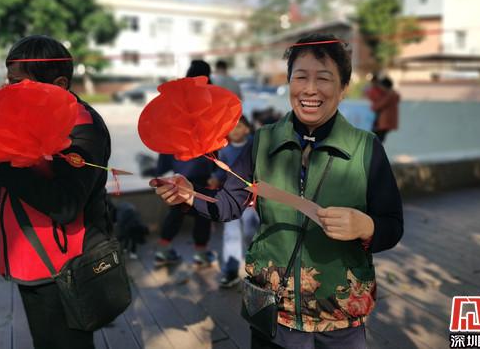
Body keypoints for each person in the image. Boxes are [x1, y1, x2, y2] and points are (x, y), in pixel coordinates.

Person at [151, 34, 403, 349]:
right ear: (289, 82)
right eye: (300, 77)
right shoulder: (263, 141)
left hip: (340, 317)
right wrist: (191, 194)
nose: (310, 89)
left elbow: (392, 225)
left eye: (324, 79)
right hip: (273, 313)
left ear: (343, 88)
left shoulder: (367, 148)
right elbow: (229, 203)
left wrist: (366, 226)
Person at [0, 35, 113, 349]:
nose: (9, 90)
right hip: (30, 261)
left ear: (59, 84)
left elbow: (66, 205)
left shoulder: (82, 129)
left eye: (18, 83)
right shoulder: (30, 121)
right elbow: (7, 194)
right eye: (8, 81)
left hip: (65, 267)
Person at [153, 59, 217, 267]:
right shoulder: (211, 97)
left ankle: (162, 251)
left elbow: (167, 131)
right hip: (202, 165)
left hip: (180, 164)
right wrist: (216, 170)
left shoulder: (178, 97)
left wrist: (164, 166)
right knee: (204, 210)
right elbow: (215, 135)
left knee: (177, 209)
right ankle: (200, 254)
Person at [209, 115, 259, 288]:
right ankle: (231, 271)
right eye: (231, 128)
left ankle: (258, 266)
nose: (235, 131)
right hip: (231, 198)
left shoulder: (255, 145)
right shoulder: (225, 150)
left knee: (251, 231)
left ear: (247, 129)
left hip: (251, 200)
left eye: (239, 126)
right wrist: (215, 178)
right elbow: (221, 171)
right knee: (231, 234)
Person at [371, 76, 400, 144]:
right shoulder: (392, 95)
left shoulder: (389, 96)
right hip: (385, 123)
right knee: (377, 141)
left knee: (376, 141)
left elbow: (376, 107)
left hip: (384, 123)